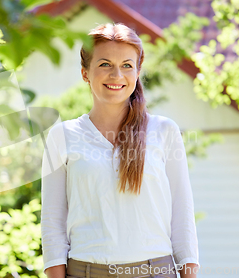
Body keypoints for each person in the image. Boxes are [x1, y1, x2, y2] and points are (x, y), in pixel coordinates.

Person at [41, 23, 199, 278]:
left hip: (155, 272)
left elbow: (182, 215)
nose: (117, 75)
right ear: (85, 73)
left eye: (127, 65)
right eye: (105, 64)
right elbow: (52, 224)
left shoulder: (164, 131)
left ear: (137, 72)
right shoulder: (62, 136)